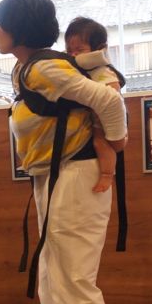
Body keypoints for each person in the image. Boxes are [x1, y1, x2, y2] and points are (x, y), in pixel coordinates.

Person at [0, 0, 128, 304]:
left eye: (1, 24)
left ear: (18, 29)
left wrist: (116, 142)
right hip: (53, 176)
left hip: (77, 173)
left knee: (73, 276)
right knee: (51, 273)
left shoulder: (45, 68)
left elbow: (108, 99)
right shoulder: (29, 67)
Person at [63, 16, 127, 194]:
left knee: (100, 142)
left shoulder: (102, 69)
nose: (73, 55)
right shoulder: (76, 69)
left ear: (99, 49)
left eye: (80, 50)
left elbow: (114, 91)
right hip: (91, 117)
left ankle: (107, 174)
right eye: (69, 50)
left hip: (104, 119)